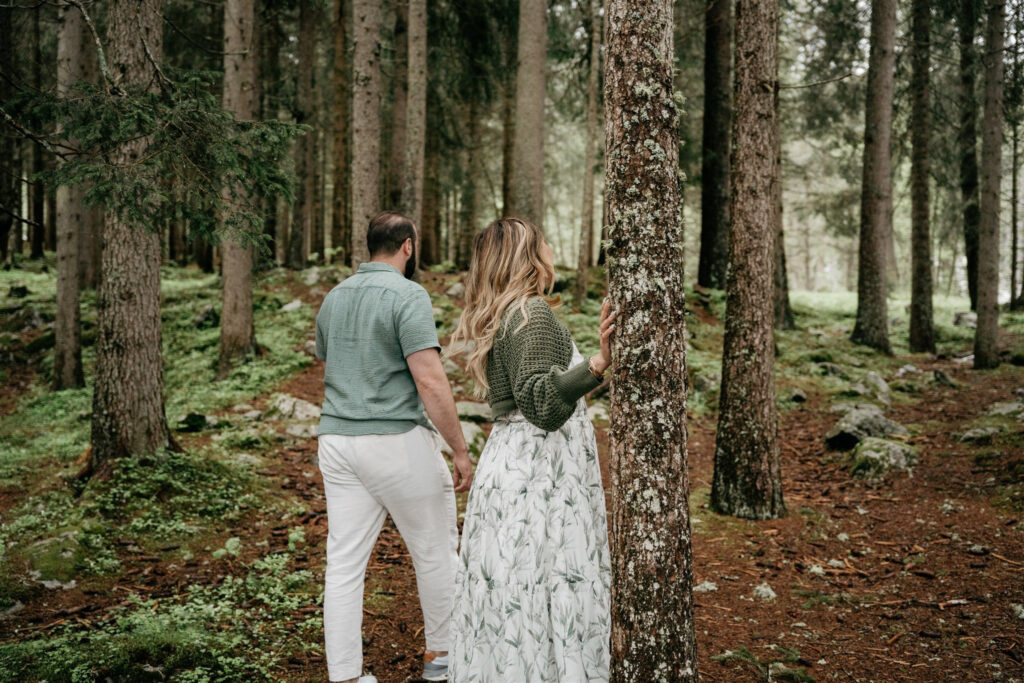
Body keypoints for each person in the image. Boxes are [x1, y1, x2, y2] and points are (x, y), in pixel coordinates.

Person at [446, 217, 615, 682]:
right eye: (543, 245)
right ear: (528, 256)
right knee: (545, 588)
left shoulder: (508, 314)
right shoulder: (531, 314)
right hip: (540, 477)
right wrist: (598, 363)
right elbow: (541, 402)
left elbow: (541, 392)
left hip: (513, 468)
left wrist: (593, 374)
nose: (550, 253)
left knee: (513, 594)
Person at [314, 211, 475, 683]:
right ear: (408, 246)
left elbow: (329, 361)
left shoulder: (334, 296)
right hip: (394, 442)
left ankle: (345, 676)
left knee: (343, 564)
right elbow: (429, 378)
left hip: (337, 443)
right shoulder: (408, 295)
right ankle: (441, 660)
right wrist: (459, 449)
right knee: (435, 551)